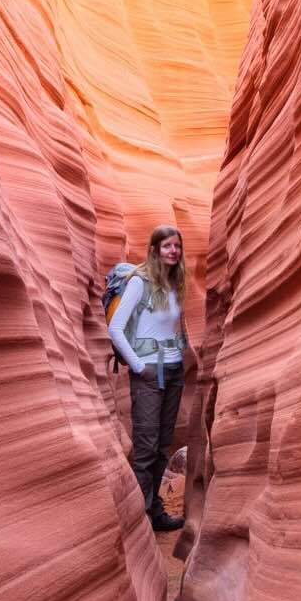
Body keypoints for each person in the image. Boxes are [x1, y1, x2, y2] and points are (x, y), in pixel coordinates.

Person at [109, 224, 193, 532]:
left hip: (172, 373)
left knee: (162, 446)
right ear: (154, 250)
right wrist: (137, 366)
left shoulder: (175, 282)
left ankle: (155, 510)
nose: (173, 251)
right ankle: (140, 518)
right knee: (145, 448)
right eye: (167, 246)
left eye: (177, 246)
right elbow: (115, 328)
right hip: (147, 373)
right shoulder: (140, 282)